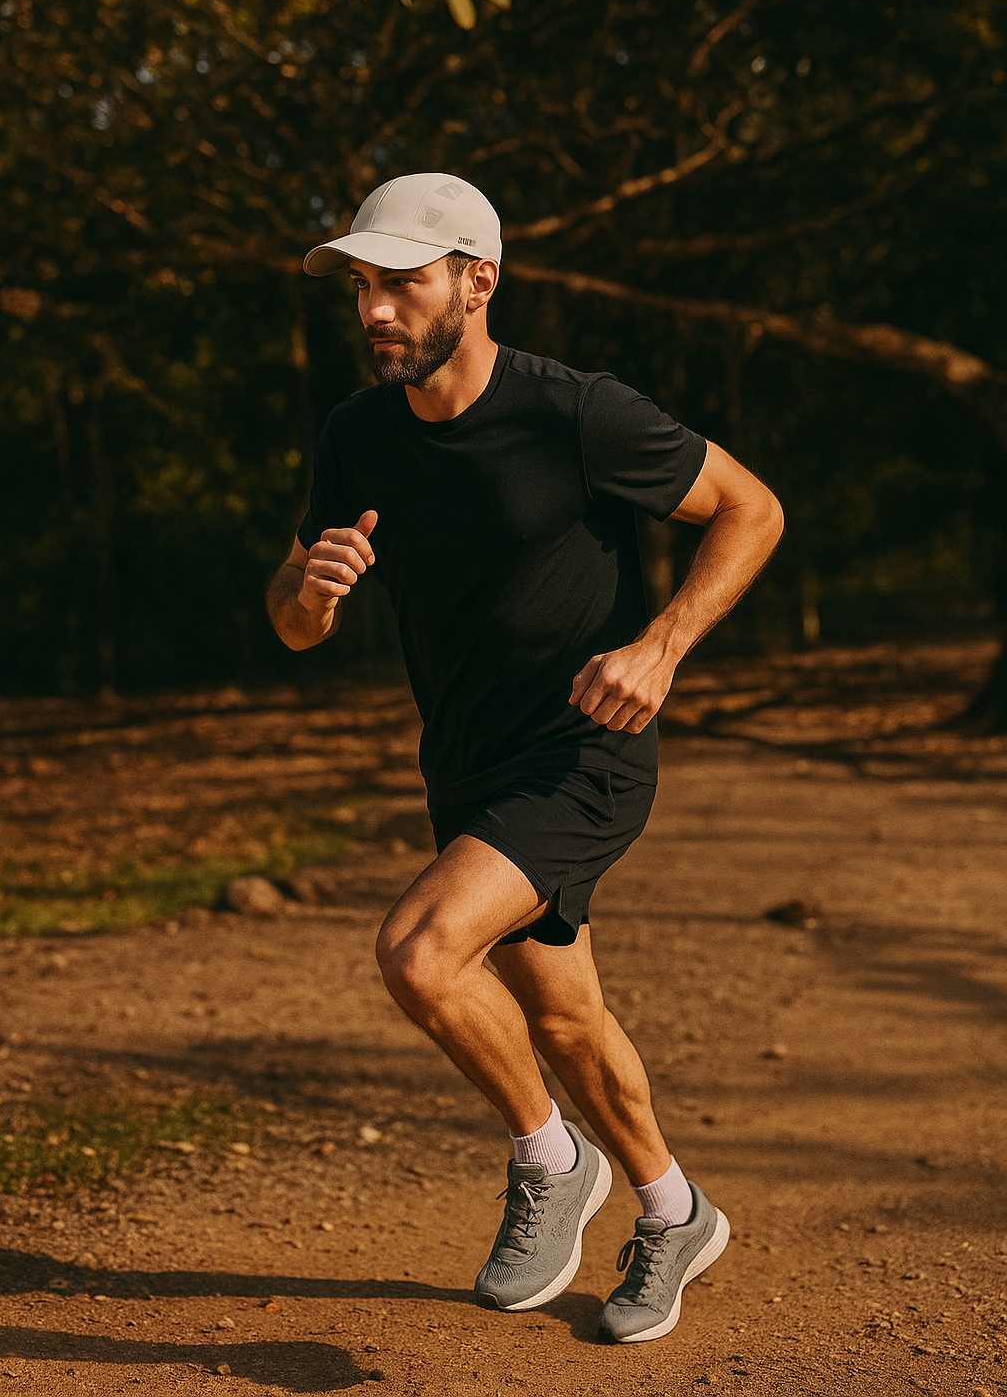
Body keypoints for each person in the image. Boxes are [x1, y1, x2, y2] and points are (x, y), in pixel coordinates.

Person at [267, 173, 784, 1343]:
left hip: (583, 750)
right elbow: (293, 616)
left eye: (401, 282)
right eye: (362, 285)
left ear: (476, 282)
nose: (376, 310)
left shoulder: (576, 414)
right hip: (463, 762)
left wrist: (659, 646)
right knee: (562, 1020)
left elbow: (751, 509)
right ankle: (673, 1209)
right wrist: (308, 591)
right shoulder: (358, 433)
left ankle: (549, 1163)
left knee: (420, 953)